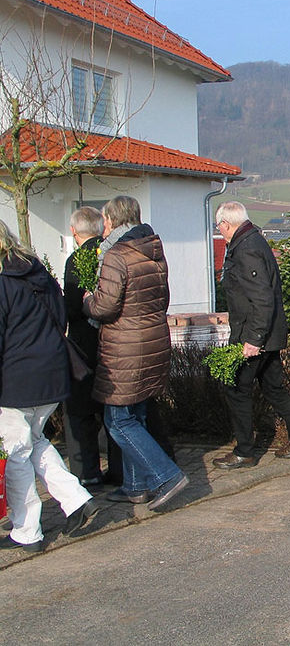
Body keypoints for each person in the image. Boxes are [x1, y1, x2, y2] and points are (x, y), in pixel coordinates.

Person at [83, 196, 188, 509]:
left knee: (118, 420)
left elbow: (105, 306)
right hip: (153, 340)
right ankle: (135, 486)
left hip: (124, 347)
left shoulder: (117, 254)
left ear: (113, 220)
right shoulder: (154, 250)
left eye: (105, 219)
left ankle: (166, 475)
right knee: (136, 414)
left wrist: (88, 300)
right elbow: (162, 299)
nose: (103, 226)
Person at [0, 221, 97, 552]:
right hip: (52, 372)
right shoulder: (38, 273)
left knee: (17, 453)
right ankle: (77, 499)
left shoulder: (2, 283)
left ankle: (27, 531)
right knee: (36, 441)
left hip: (16, 379)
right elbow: (60, 318)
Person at [211, 202, 290, 469]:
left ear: (226, 224)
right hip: (266, 333)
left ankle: (244, 451)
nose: (220, 231)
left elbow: (262, 298)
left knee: (236, 388)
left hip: (255, 335)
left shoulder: (246, 249)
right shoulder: (252, 240)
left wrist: (253, 340)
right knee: (273, 388)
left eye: (219, 226)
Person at [62, 206, 119, 487]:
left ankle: (87, 472)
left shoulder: (77, 260)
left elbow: (73, 306)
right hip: (112, 341)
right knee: (113, 410)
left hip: (84, 343)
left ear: (74, 231)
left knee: (80, 410)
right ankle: (119, 470)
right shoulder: (112, 254)